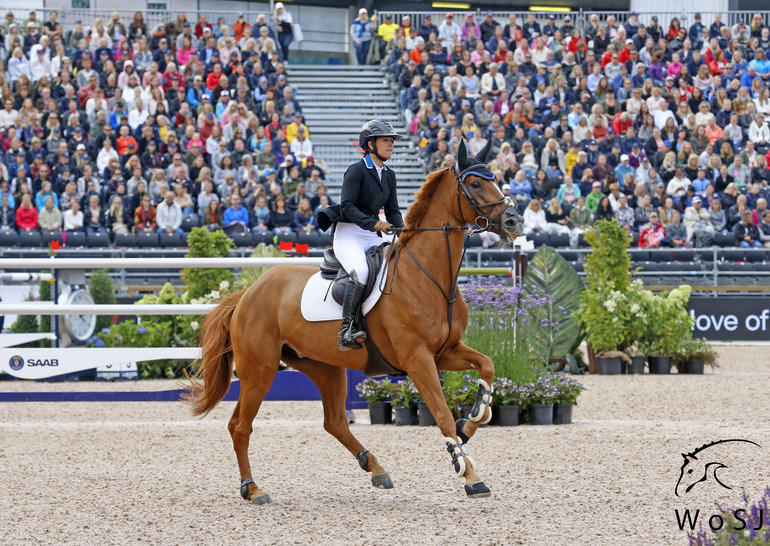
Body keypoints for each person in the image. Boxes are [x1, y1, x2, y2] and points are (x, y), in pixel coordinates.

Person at [317, 120, 404, 351]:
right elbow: (347, 207)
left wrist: (403, 231)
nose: (391, 145)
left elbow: (393, 210)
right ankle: (346, 330)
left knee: (399, 261)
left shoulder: (389, 174)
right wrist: (375, 223)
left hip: (372, 232)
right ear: (370, 144)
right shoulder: (356, 171)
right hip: (349, 233)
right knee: (361, 271)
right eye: (386, 140)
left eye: (392, 141)